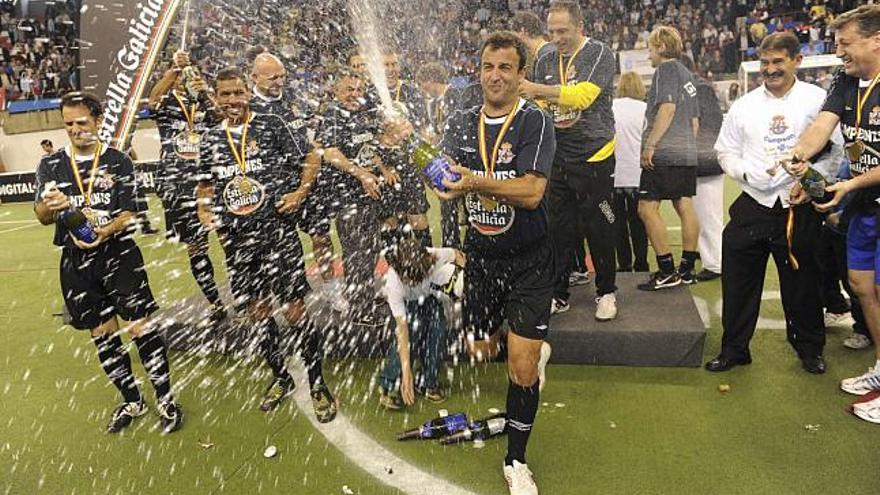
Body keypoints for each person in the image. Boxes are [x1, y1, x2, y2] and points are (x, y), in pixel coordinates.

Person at [437, 30, 555, 495]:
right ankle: (528, 344)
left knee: (521, 370)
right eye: (488, 67)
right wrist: (437, 174)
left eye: (506, 67)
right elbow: (445, 177)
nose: (495, 76)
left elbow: (531, 192)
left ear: (521, 75)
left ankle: (516, 461)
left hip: (530, 260)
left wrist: (472, 183)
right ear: (479, 71)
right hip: (482, 259)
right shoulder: (461, 120)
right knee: (482, 350)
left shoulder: (534, 121)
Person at [34, 91, 183, 434]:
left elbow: (131, 214)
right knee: (101, 334)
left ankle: (164, 397)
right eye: (68, 123)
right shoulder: (50, 165)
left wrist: (106, 230)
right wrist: (51, 203)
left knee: (141, 327)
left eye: (82, 122)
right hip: (76, 262)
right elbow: (41, 217)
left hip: (119, 254)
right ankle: (132, 400)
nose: (74, 129)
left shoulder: (118, 160)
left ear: (98, 121)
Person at [195, 67, 336, 423]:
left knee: (294, 311)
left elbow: (312, 157)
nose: (232, 101)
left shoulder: (271, 123)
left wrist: (300, 192)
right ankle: (281, 377)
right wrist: (204, 210)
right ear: (216, 98)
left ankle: (317, 382)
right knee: (258, 313)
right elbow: (205, 186)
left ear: (248, 91)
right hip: (238, 242)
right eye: (225, 94)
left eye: (238, 93)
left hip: (277, 235)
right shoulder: (211, 138)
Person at [705, 32, 841, 375]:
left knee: (803, 282)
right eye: (765, 63)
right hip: (753, 203)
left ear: (797, 60)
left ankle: (810, 348)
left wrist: (810, 185)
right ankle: (735, 349)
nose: (770, 69)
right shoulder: (744, 105)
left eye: (778, 62)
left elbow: (835, 151)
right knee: (737, 280)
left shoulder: (818, 99)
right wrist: (746, 174)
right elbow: (725, 151)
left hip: (798, 206)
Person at [790, 5, 880, 419]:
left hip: (864, 193)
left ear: (876, 39)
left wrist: (851, 184)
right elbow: (822, 126)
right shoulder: (846, 81)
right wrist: (798, 154)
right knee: (861, 287)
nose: (838, 51)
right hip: (864, 205)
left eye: (845, 43)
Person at [521, 0, 618, 321]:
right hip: (557, 157)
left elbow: (584, 96)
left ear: (580, 28)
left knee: (600, 226)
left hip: (594, 155)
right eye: (551, 31)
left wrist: (535, 88)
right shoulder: (545, 56)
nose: (556, 37)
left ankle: (606, 292)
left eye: (563, 31)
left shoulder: (600, 53)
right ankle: (558, 293)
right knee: (557, 230)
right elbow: (536, 102)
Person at [248, 52, 347, 314]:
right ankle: (277, 299)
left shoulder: (291, 100)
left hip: (306, 183)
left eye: (281, 76)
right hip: (271, 191)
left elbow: (311, 150)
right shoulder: (247, 109)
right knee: (278, 247)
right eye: (272, 78)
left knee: (322, 238)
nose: (278, 81)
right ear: (254, 78)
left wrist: (301, 190)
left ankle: (332, 289)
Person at [147, 50, 226, 326]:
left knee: (230, 240)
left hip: (213, 182)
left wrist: (205, 92)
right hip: (179, 186)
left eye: (193, 75)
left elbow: (222, 116)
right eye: (184, 76)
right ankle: (215, 302)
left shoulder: (205, 103)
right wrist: (173, 70)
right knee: (197, 246)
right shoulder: (168, 105)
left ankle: (244, 292)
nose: (188, 79)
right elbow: (152, 99)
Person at [636, 26, 701, 291]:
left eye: (650, 48)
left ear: (661, 47)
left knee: (646, 208)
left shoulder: (665, 70)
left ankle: (666, 270)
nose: (649, 54)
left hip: (665, 152)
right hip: (685, 151)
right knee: (683, 204)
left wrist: (651, 144)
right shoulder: (688, 74)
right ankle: (686, 269)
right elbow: (695, 122)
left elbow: (668, 108)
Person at [377, 238, 464, 410]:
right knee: (410, 336)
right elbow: (402, 331)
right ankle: (389, 387)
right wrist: (406, 372)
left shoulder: (436, 255)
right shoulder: (393, 284)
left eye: (417, 278)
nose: (413, 283)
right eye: (409, 280)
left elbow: (458, 255)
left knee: (438, 333)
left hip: (431, 298)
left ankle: (428, 382)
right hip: (407, 303)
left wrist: (459, 275)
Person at [415, 62, 482, 249]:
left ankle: (465, 246)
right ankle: (452, 247)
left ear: (430, 80)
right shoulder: (439, 102)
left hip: (460, 161)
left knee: (464, 205)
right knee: (448, 206)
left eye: (422, 84)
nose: (422, 89)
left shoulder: (455, 96)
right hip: (448, 162)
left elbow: (460, 130)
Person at [680, 56, 725, 282]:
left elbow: (709, 126)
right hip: (698, 160)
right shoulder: (695, 88)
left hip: (704, 162)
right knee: (700, 212)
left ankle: (716, 263)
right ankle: (706, 253)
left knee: (708, 215)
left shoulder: (699, 89)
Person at [611, 71, 649, 273]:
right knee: (639, 221)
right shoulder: (645, 109)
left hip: (613, 175)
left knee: (616, 222)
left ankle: (623, 263)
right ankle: (641, 262)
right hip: (639, 174)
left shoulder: (611, 108)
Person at [510, 11, 554, 78]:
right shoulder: (537, 55)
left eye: (513, 33)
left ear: (523, 31)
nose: (512, 39)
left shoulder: (547, 54)